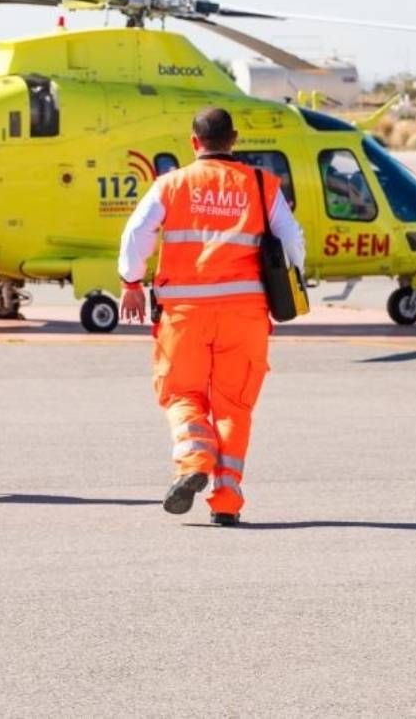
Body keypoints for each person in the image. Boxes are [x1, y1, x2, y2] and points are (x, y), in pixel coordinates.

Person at [118, 107, 305, 526]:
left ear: (193, 142)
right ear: (234, 139)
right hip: (246, 315)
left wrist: (131, 282)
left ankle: (193, 461)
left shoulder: (172, 184)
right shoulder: (262, 184)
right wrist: (291, 279)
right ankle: (226, 501)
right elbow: (293, 241)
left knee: (182, 394)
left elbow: (136, 235)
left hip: (184, 314)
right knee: (234, 406)